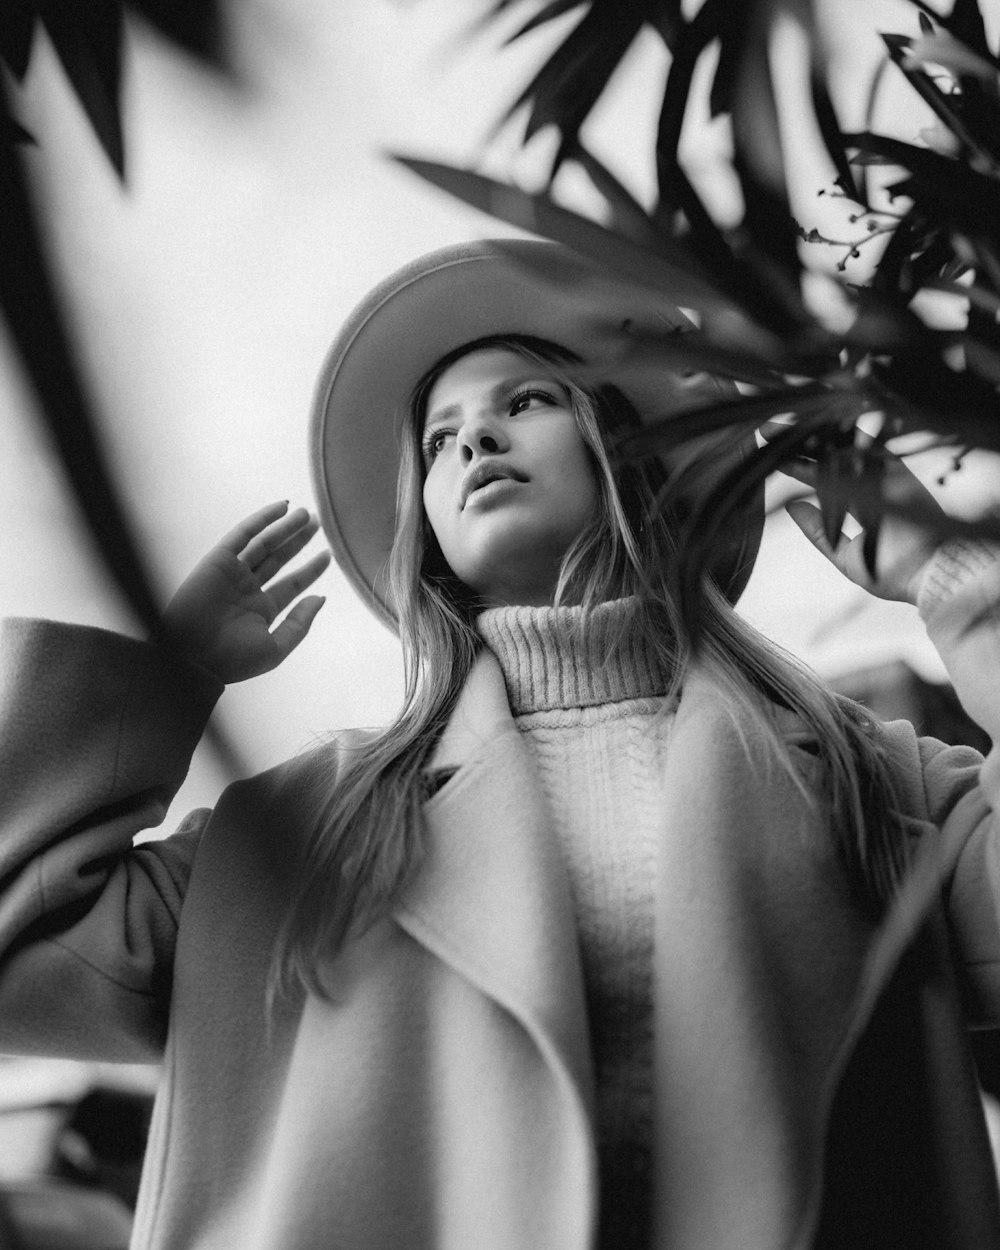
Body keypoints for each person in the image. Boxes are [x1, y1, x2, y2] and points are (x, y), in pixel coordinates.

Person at [0, 238, 998, 1250]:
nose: (475, 436)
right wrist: (165, 679)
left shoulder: (872, 779)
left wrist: (951, 577)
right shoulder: (298, 829)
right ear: (422, 523)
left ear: (630, 455)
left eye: (527, 400)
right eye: (437, 439)